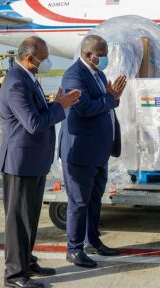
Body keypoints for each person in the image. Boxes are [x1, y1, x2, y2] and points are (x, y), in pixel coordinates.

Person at [0, 36, 81, 288]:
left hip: (32, 161)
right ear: (28, 57)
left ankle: (27, 261)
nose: (45, 63)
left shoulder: (27, 78)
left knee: (30, 217)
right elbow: (33, 123)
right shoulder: (16, 83)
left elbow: (34, 113)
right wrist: (60, 107)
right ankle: (15, 274)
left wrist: (52, 104)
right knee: (18, 221)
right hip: (20, 163)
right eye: (42, 59)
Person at [59, 35, 126, 268]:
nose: (105, 59)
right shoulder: (74, 75)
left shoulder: (97, 74)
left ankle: (92, 240)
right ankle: (74, 249)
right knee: (78, 202)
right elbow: (85, 108)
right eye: (102, 55)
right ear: (88, 54)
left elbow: (106, 103)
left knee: (94, 200)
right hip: (80, 151)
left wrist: (111, 99)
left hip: (98, 151)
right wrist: (111, 98)